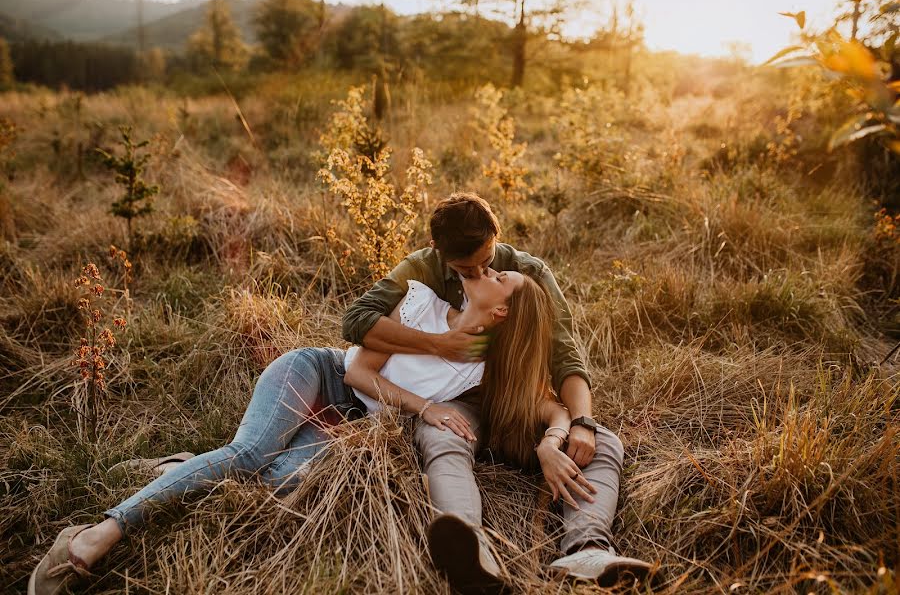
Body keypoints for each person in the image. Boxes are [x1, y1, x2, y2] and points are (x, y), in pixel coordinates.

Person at [28, 260, 547, 595]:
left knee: (278, 482)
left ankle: (184, 469)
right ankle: (98, 533)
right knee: (250, 454)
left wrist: (563, 432)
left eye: (502, 277)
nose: (491, 267)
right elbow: (355, 371)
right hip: (318, 374)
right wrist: (424, 408)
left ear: (501, 311)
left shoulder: (482, 371)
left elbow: (541, 404)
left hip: (352, 424)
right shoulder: (426, 306)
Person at [342, 192, 652, 591]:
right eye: (465, 269)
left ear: (495, 237)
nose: (478, 273)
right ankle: (471, 549)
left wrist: (576, 426)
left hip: (508, 400)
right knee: (444, 434)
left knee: (601, 441)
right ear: (440, 250)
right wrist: (438, 345)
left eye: (488, 265)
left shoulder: (524, 274)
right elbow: (356, 322)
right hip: (456, 403)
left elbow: (564, 356)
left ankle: (588, 548)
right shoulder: (421, 268)